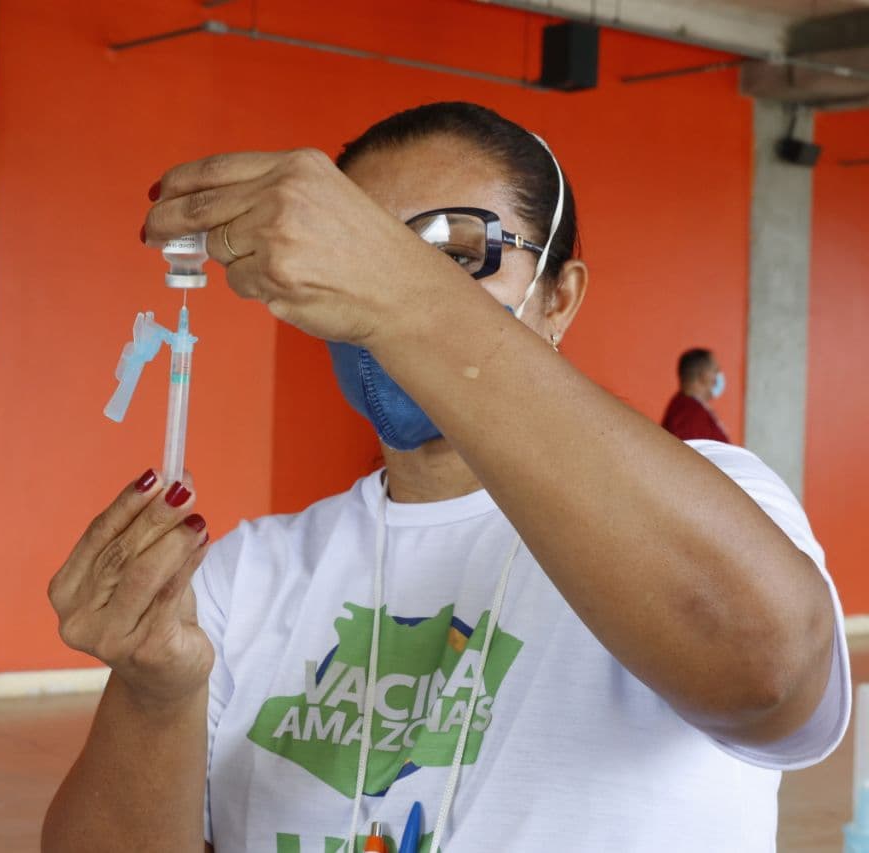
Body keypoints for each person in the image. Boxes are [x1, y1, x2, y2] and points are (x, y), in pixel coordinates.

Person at [42, 103, 848, 852]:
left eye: (459, 255)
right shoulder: (246, 577)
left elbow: (772, 682)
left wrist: (400, 289)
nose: (369, 306)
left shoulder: (710, 498)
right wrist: (154, 697)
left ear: (559, 298)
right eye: (350, 266)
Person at [662, 347, 731, 442]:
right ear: (704, 376)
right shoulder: (689, 415)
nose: (719, 376)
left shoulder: (691, 409)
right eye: (715, 371)